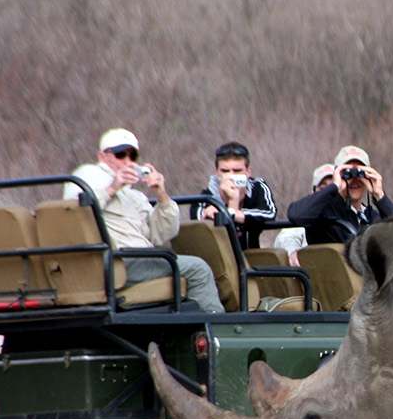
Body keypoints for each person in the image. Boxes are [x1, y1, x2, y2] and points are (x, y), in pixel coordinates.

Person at [64, 128, 223, 312]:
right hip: (117, 260)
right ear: (102, 156)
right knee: (198, 269)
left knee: (188, 263)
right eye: (120, 154)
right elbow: (74, 211)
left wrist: (161, 194)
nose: (127, 161)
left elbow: (162, 235)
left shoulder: (135, 196)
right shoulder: (88, 175)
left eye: (132, 155)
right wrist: (112, 187)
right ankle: (215, 332)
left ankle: (192, 324)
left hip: (141, 259)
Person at [287, 145, 393, 246]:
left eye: (360, 173)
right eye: (347, 173)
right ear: (337, 174)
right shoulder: (324, 211)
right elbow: (295, 215)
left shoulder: (371, 216)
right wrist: (335, 186)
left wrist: (379, 195)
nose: (354, 179)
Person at [197, 140, 278, 250]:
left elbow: (269, 213)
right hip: (218, 258)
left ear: (248, 172)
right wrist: (233, 205)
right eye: (225, 171)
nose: (231, 176)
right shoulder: (206, 197)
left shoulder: (258, 187)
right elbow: (199, 221)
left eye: (237, 171)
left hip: (251, 256)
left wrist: (230, 212)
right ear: (217, 172)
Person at [271, 162, 334, 264]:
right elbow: (286, 237)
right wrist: (293, 252)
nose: (329, 193)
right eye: (323, 189)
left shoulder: (352, 213)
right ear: (313, 192)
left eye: (333, 188)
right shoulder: (306, 217)